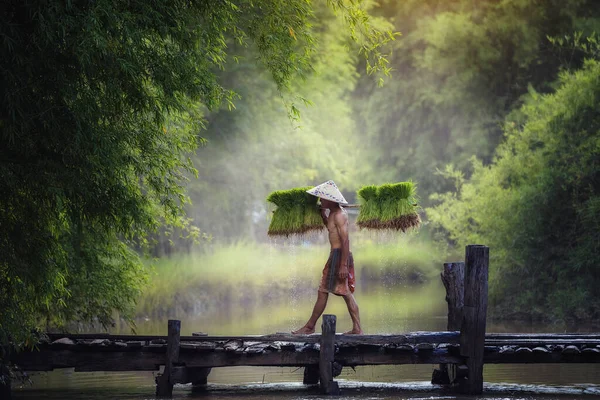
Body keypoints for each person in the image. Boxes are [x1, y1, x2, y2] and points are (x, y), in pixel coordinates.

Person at [292, 180, 363, 335]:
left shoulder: (340, 215)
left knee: (328, 291)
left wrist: (343, 264)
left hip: (340, 256)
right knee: (340, 292)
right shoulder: (332, 214)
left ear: (331, 199)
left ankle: (310, 327)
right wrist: (323, 215)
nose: (320, 200)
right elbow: (332, 231)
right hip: (335, 255)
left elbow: (345, 240)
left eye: (323, 198)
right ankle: (356, 328)